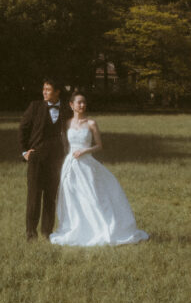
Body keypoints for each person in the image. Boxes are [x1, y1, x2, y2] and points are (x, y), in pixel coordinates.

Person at [49, 91, 149, 247]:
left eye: (84, 102)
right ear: (71, 105)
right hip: (70, 164)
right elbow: (65, 144)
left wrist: (84, 151)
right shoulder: (67, 123)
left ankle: (97, 228)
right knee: (71, 195)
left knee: (91, 195)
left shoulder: (91, 123)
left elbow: (99, 146)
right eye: (79, 102)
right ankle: (75, 226)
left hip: (86, 163)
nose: (82, 105)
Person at [18, 78, 67, 241]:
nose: (44, 92)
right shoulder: (35, 106)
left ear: (57, 91)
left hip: (56, 159)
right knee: (34, 195)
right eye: (43, 89)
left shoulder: (66, 109)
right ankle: (31, 233)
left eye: (48, 89)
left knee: (51, 196)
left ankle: (47, 232)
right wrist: (25, 151)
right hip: (37, 157)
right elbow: (23, 128)